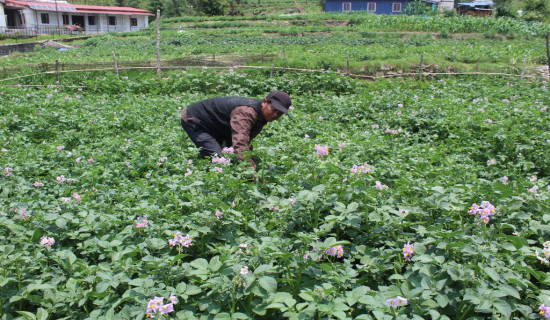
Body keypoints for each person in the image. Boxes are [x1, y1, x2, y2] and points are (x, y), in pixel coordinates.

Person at [181, 91, 292, 170]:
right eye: (274, 109)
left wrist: (248, 159)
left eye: (280, 113)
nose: (275, 115)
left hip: (218, 125)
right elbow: (240, 142)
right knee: (218, 159)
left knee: (239, 155)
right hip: (196, 120)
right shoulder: (246, 112)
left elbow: (245, 139)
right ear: (264, 102)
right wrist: (249, 167)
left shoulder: (262, 116)